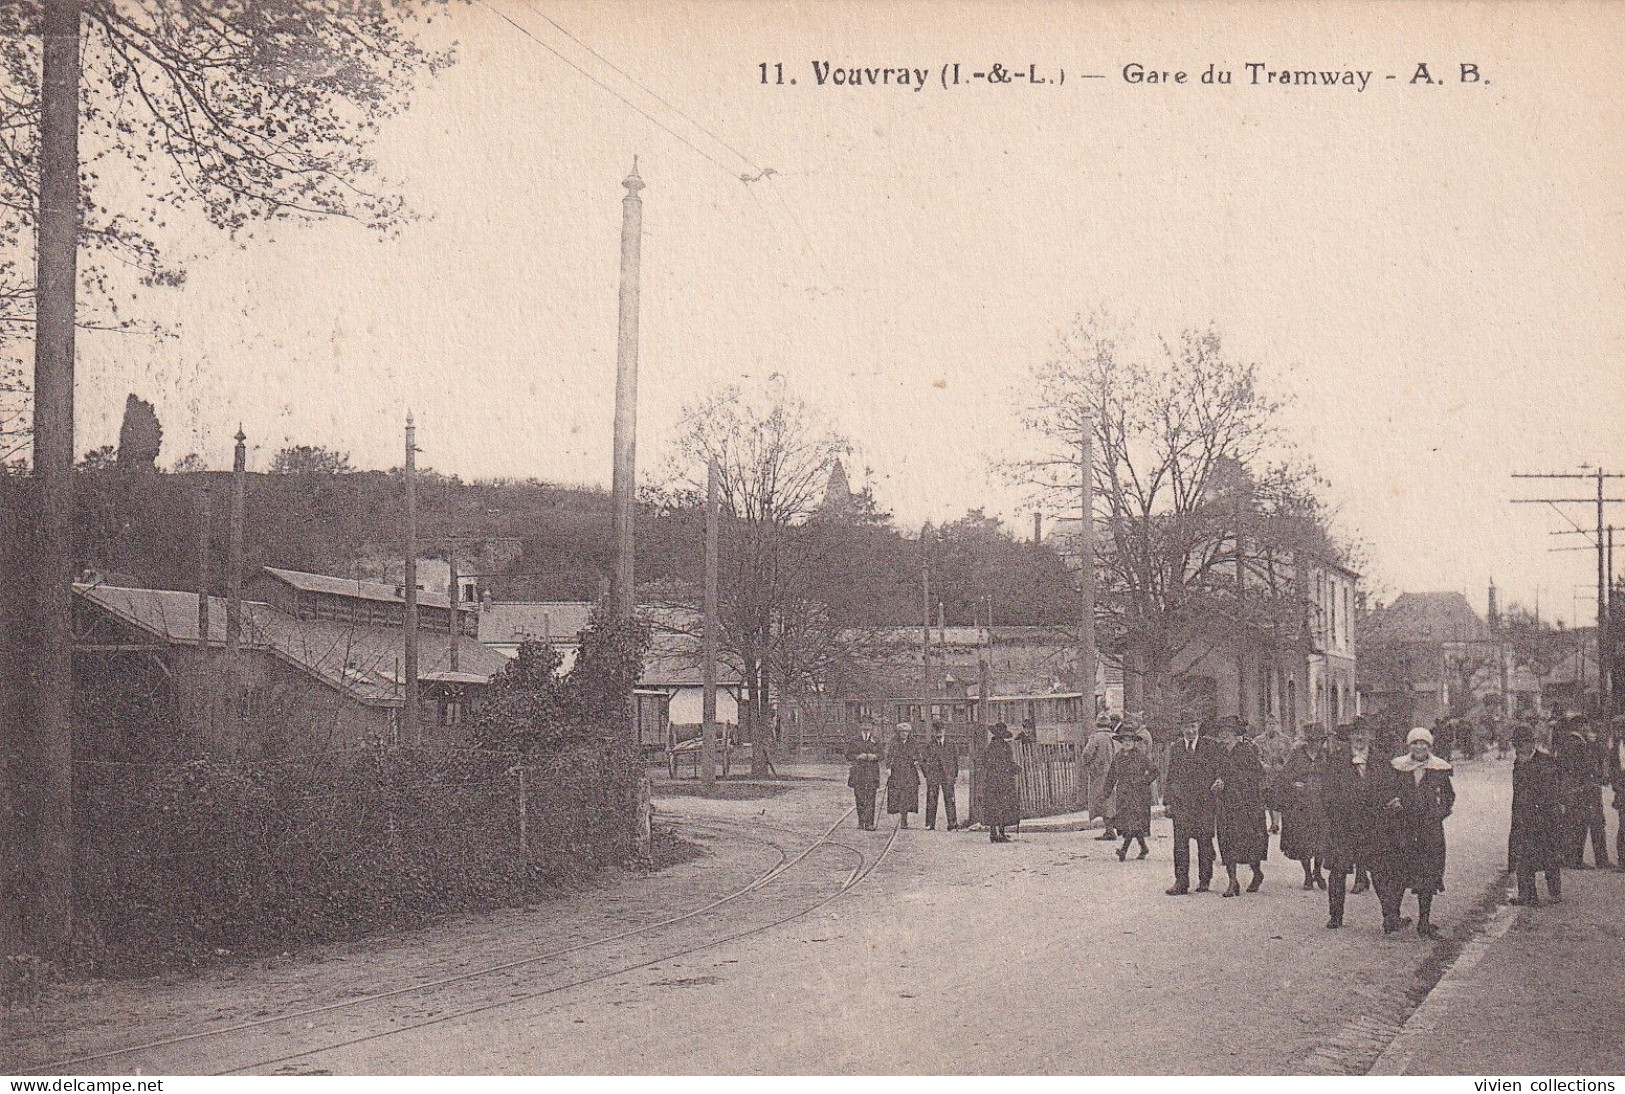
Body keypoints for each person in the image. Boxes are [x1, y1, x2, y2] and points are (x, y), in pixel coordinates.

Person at [1375, 727, 1456, 938]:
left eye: (1424, 743)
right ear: (1408, 746)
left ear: (1430, 746)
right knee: (1398, 873)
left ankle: (1424, 922)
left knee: (1427, 876)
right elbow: (1387, 790)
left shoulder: (1439, 768)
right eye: (1415, 743)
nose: (1419, 747)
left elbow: (1449, 796)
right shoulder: (1398, 767)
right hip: (1403, 829)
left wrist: (1440, 812)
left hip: (1430, 831)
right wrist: (1392, 802)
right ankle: (1392, 918)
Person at [1321, 723, 1378, 928]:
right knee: (1337, 871)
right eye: (1355, 734)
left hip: (1373, 823)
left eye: (1364, 733)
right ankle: (1335, 916)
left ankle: (1390, 917)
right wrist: (1336, 813)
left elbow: (1388, 786)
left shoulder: (1379, 758)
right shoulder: (1337, 759)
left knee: (1381, 870)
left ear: (1370, 735)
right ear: (1350, 737)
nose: (1360, 737)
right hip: (1343, 824)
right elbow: (1327, 790)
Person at [1508, 723, 1563, 906]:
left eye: (1522, 745)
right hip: (1524, 816)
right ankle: (1528, 895)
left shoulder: (1546, 761)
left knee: (1549, 855)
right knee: (1523, 856)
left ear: (1532, 744)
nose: (1519, 749)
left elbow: (1551, 791)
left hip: (1545, 817)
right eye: (1517, 745)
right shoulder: (1519, 762)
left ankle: (1555, 892)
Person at [1164, 717, 1221, 895]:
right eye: (1186, 727)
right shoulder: (1176, 748)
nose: (1190, 731)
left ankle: (1205, 879)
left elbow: (1219, 768)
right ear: (1181, 728)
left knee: (1204, 841)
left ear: (1199, 727)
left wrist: (1219, 780)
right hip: (1182, 804)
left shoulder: (1210, 747)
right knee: (1180, 844)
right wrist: (1168, 802)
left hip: (1204, 803)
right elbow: (1171, 776)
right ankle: (1181, 882)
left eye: (1193, 727)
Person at [1213, 716, 1268, 897]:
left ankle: (1257, 872)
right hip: (1225, 803)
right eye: (1222, 733)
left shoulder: (1246, 751)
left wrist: (1227, 781)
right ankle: (1232, 881)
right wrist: (1216, 782)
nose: (1225, 736)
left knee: (1248, 843)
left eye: (1229, 733)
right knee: (1226, 840)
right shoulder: (1219, 753)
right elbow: (1212, 772)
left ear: (1237, 735)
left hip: (1246, 805)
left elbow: (1257, 774)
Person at [1281, 724, 1331, 890]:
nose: (1315, 744)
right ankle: (1308, 874)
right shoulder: (1297, 755)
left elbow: (1333, 776)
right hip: (1301, 803)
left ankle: (1317, 871)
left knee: (1321, 840)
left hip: (1321, 803)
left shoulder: (1325, 756)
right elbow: (1284, 775)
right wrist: (1293, 784)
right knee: (1303, 840)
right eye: (1312, 740)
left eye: (1318, 741)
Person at [1560, 719, 1614, 869]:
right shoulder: (1577, 744)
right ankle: (1597, 860)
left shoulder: (1572, 742)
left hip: (1580, 789)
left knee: (1583, 824)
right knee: (1594, 824)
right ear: (1581, 726)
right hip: (1586, 789)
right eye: (1587, 726)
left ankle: (1577, 860)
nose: (1589, 730)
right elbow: (1583, 767)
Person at [1104, 726, 1157, 862]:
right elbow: (1112, 775)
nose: (1127, 743)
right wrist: (1106, 791)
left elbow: (1154, 771)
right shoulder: (1118, 756)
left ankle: (1123, 850)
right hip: (1123, 794)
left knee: (1132, 823)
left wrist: (1144, 781)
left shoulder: (1140, 756)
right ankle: (1144, 848)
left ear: (1134, 742)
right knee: (1130, 823)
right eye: (1124, 740)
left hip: (1138, 794)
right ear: (1120, 742)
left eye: (1130, 740)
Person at [1082, 715, 1121, 841]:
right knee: (1113, 801)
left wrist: (1090, 765)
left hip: (1101, 775)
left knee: (1104, 802)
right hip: (1116, 774)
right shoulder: (1116, 737)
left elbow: (1086, 754)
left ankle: (1109, 831)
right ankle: (1115, 829)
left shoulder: (1096, 738)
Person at [981, 722, 1021, 843]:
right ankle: (1001, 833)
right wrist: (1016, 768)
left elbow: (985, 763)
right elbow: (1008, 764)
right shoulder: (1004, 747)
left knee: (993, 807)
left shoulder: (990, 746)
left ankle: (993, 833)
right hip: (1003, 781)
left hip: (991, 781)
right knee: (1003, 806)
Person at [920, 722, 960, 830]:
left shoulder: (951, 745)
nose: (939, 733)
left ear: (944, 731)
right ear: (933, 732)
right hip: (933, 776)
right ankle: (929, 824)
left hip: (947, 776)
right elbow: (922, 761)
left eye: (941, 730)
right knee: (931, 799)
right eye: (936, 731)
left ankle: (952, 823)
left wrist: (954, 775)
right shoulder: (929, 745)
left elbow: (955, 760)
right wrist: (927, 774)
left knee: (950, 799)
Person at [1256, 720, 1292, 835]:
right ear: (1265, 725)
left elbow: (1290, 755)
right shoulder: (1258, 740)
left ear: (1277, 725)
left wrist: (1283, 765)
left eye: (1274, 724)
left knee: (1278, 796)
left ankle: (1276, 823)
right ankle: (1273, 822)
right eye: (1269, 724)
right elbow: (1255, 756)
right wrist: (1263, 765)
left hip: (1280, 773)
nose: (1272, 727)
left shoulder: (1285, 740)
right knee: (1268, 797)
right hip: (1265, 774)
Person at [885, 722, 922, 829]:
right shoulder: (893, 743)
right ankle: (901, 817)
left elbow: (919, 755)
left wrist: (917, 760)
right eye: (902, 732)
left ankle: (904, 819)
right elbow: (889, 756)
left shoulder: (913, 743)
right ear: (898, 733)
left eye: (906, 732)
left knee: (907, 796)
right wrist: (888, 768)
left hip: (909, 773)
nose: (904, 734)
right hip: (897, 772)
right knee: (898, 796)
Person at [846, 723, 883, 831]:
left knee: (871, 798)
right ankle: (861, 822)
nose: (867, 728)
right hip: (858, 773)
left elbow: (882, 755)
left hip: (872, 773)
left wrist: (875, 756)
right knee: (860, 798)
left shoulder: (876, 740)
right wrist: (858, 756)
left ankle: (870, 823)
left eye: (869, 726)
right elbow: (847, 755)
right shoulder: (854, 740)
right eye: (864, 725)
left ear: (872, 727)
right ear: (861, 727)